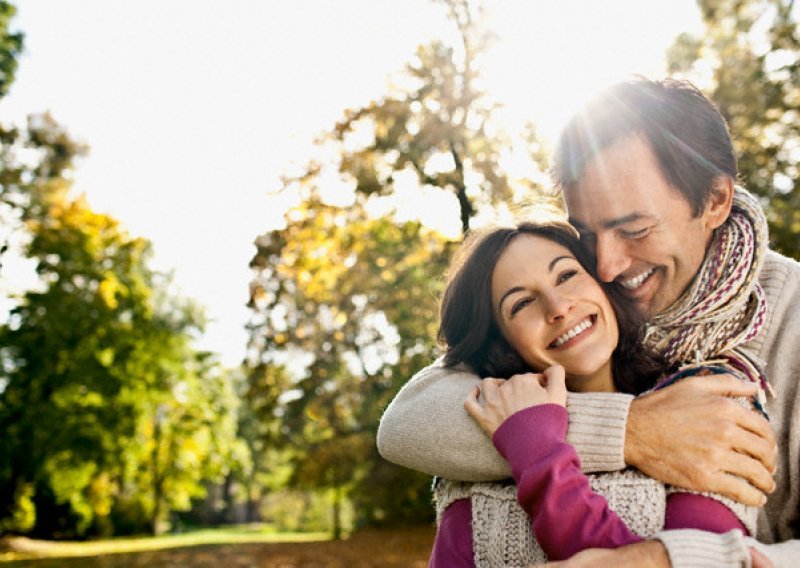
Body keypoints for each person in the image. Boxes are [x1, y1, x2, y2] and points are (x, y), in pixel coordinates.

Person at [377, 77, 800, 566]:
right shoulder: (581, 303)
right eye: (586, 234)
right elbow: (409, 423)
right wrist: (634, 430)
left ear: (714, 201)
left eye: (635, 229)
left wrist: (658, 560)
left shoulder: (784, 320)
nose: (607, 265)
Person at [427, 220, 762, 566]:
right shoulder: (467, 478)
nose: (558, 306)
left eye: (566, 275)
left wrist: (538, 452)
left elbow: (700, 559)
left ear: (603, 284)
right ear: (500, 343)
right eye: (521, 303)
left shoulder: (710, 399)